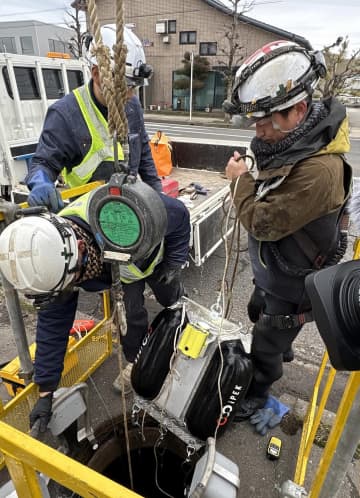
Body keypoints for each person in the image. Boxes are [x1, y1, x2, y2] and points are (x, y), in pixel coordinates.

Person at [224, 40, 352, 421]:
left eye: (265, 122)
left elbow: (263, 222)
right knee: (259, 311)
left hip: (294, 279)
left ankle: (260, 387)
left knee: (266, 337)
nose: (257, 130)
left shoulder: (319, 170)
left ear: (298, 109)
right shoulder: (297, 142)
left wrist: (238, 182)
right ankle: (282, 346)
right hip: (278, 271)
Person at [0, 185, 190, 432]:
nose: (72, 286)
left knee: (172, 300)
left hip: (157, 260)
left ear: (79, 248)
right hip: (125, 275)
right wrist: (45, 391)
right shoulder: (57, 264)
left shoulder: (124, 212)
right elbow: (53, 325)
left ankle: (185, 335)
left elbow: (180, 214)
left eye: (74, 279)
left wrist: (174, 261)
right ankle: (136, 362)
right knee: (131, 316)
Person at [25, 24, 162, 213]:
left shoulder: (132, 106)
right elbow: (43, 162)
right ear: (97, 74)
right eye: (124, 86)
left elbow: (144, 151)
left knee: (177, 215)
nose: (129, 95)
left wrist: (157, 196)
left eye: (133, 87)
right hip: (87, 210)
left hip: (129, 202)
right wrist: (41, 182)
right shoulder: (65, 114)